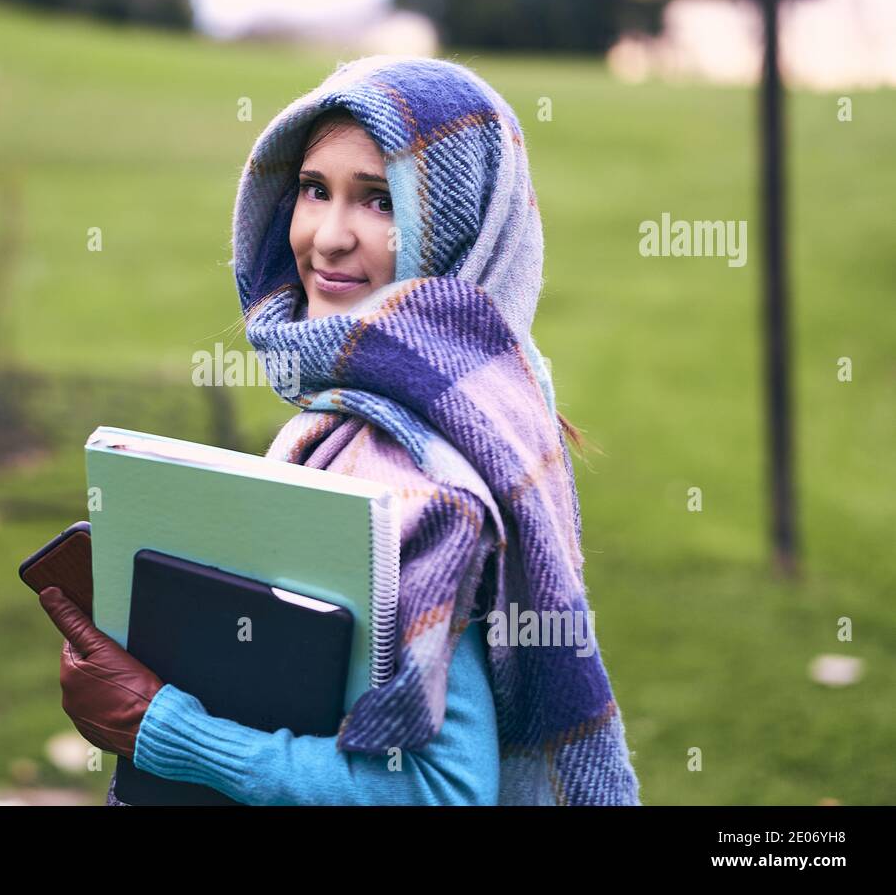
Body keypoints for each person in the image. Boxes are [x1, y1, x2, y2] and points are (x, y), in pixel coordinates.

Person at [39, 55, 642, 806]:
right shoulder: (488, 390)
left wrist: (162, 726)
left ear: (454, 231)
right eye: (314, 189)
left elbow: (440, 791)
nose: (326, 237)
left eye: (381, 201)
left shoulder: (411, 466)